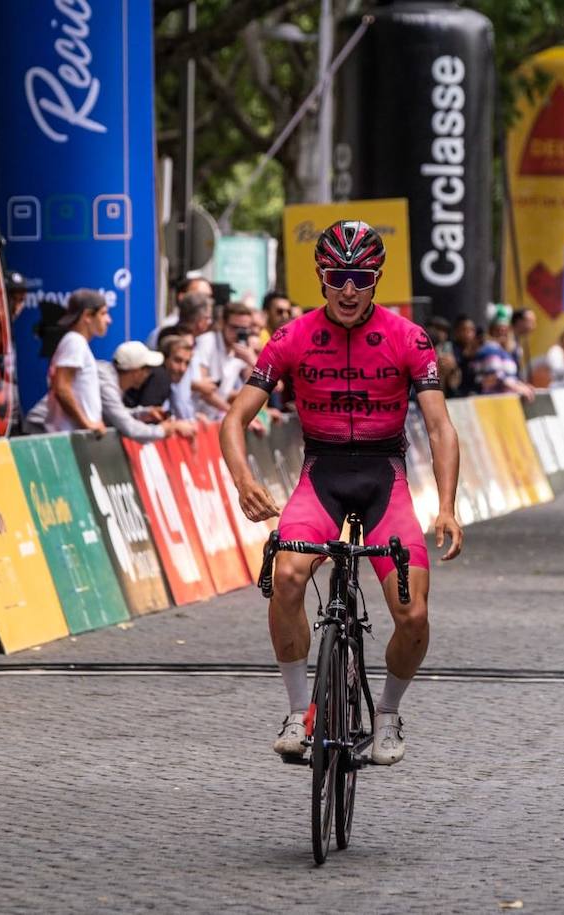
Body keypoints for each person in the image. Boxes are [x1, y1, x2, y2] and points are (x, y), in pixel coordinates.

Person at [220, 219, 463, 767]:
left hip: (385, 478)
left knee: (413, 615)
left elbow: (441, 427)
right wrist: (244, 481)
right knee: (285, 576)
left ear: (376, 278)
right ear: (320, 277)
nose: (348, 289)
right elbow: (235, 418)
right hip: (321, 475)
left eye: (359, 276)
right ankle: (299, 711)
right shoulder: (291, 337)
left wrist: (446, 506)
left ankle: (389, 713)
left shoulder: (408, 337)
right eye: (336, 276)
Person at [43, 289, 112, 434]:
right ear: (87, 316)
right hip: (70, 437)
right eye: (103, 313)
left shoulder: (76, 342)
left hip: (75, 436)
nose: (109, 320)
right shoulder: (75, 342)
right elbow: (61, 388)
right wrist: (86, 423)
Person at [98, 342, 196, 441]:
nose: (148, 374)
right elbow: (128, 427)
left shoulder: (110, 381)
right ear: (136, 372)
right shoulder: (107, 386)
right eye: (147, 369)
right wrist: (163, 430)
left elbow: (117, 414)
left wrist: (145, 414)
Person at [191, 302, 259, 420]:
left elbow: (275, 386)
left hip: (213, 420)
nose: (238, 333)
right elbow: (204, 391)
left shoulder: (243, 350)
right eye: (234, 327)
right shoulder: (207, 342)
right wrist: (233, 414)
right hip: (194, 417)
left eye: (244, 329)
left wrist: (253, 361)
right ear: (223, 323)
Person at [475, 318, 536, 399]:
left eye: (505, 330)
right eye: (498, 330)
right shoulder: (489, 348)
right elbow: (496, 376)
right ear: (491, 331)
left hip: (507, 399)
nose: (502, 333)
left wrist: (523, 386)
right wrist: (518, 388)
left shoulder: (506, 352)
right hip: (492, 399)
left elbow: (510, 377)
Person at [148, 275, 214, 349]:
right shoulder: (166, 331)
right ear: (182, 297)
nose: (207, 301)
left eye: (209, 297)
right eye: (200, 296)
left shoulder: (208, 335)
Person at [511, 308, 536, 379]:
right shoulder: (507, 342)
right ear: (519, 321)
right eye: (531, 322)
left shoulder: (517, 340)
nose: (534, 326)